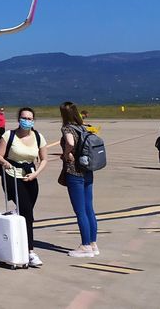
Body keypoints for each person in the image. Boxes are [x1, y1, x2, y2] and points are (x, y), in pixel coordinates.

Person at [0, 107, 47, 268]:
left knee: (27, 211)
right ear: (19, 119)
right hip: (12, 176)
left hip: (30, 176)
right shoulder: (9, 135)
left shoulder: (38, 137)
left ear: (33, 120)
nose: (27, 121)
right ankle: (30, 251)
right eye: (24, 118)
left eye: (30, 118)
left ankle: (22, 240)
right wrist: (5, 162)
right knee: (28, 214)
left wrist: (36, 174)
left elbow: (44, 159)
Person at [59, 101, 98, 258]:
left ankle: (85, 246)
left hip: (74, 171)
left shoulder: (67, 128)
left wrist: (67, 153)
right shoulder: (83, 127)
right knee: (89, 209)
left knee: (80, 210)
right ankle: (93, 243)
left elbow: (70, 141)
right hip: (87, 170)